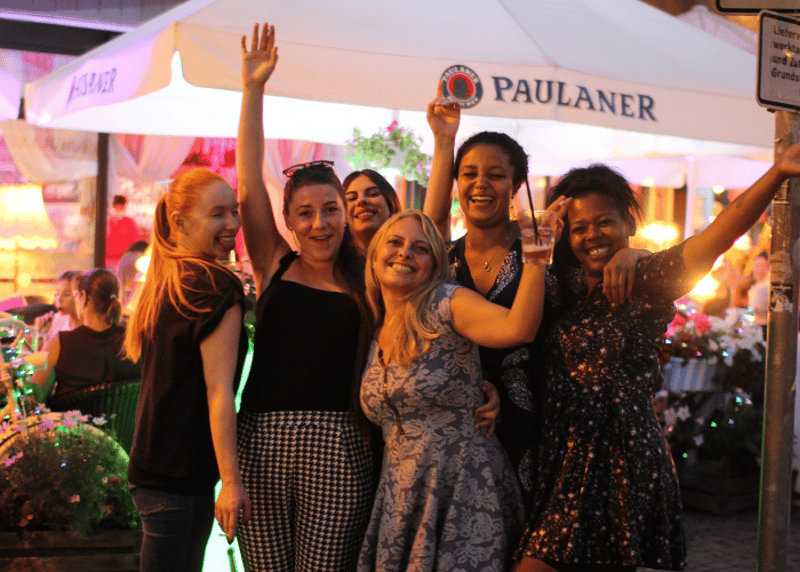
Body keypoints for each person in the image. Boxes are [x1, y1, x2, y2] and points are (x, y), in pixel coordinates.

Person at [513, 144, 800, 572]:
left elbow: (715, 238)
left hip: (617, 461)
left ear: (628, 222)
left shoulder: (644, 281)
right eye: (579, 227)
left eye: (604, 222)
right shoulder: (556, 284)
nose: (592, 235)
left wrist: (776, 173)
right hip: (559, 461)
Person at [423, 86, 643, 509]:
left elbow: (599, 260)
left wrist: (634, 254)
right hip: (458, 426)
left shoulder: (545, 251)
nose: (480, 184)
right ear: (456, 183)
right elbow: (426, 230)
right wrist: (443, 141)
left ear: (516, 185)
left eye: (495, 174)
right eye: (469, 174)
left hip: (535, 427)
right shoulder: (443, 259)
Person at [358, 209, 558, 571]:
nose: (405, 253)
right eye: (395, 242)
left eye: (420, 248)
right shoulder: (376, 329)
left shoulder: (446, 303)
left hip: (462, 488)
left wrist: (536, 257)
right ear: (373, 257)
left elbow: (519, 328)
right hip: (399, 495)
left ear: (435, 265)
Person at [123, 168, 250, 572]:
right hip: (181, 474)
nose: (232, 224)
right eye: (217, 214)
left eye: (234, 211)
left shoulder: (166, 279)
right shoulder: (214, 286)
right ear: (180, 222)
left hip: (150, 465)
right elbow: (219, 390)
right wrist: (231, 481)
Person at [29, 268, 139, 400]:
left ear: (83, 296)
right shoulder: (133, 340)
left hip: (72, 414)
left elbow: (34, 395)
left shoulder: (60, 343)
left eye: (75, 294)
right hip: (124, 414)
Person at [343, 169, 402, 254]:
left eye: (373, 194)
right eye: (352, 198)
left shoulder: (405, 254)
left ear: (391, 205)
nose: (361, 200)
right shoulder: (332, 259)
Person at [35, 270, 82, 345]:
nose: (59, 300)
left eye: (66, 295)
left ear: (80, 295)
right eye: (57, 293)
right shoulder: (54, 321)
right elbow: (42, 351)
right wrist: (41, 334)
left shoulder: (89, 325)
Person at [106, 194, 140, 268]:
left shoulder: (130, 223)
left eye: (122, 209)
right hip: (107, 262)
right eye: (117, 209)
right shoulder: (106, 224)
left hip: (125, 263)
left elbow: (137, 243)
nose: (120, 211)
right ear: (112, 208)